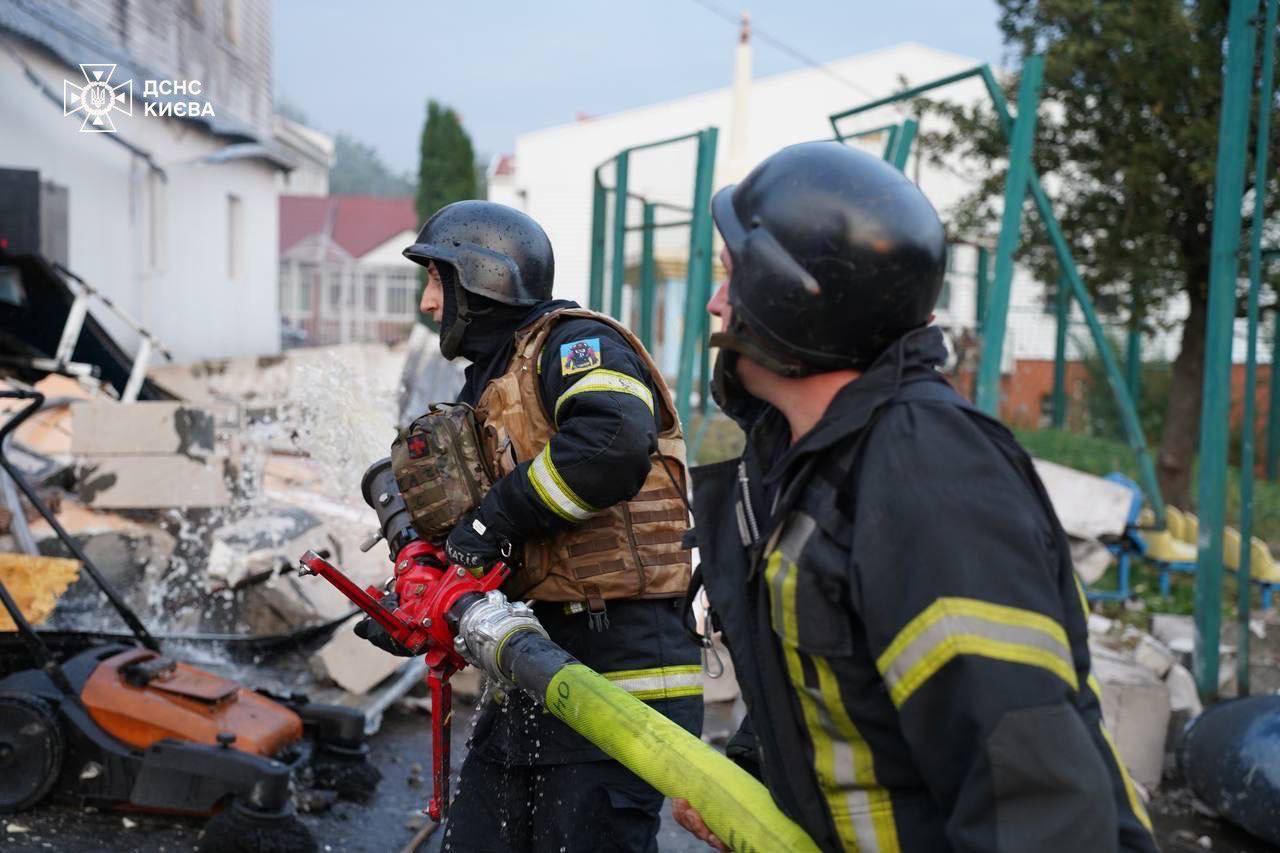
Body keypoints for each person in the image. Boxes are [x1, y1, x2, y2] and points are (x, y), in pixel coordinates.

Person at [672, 142, 1158, 853]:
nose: (717, 302)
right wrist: (756, 773)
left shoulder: (928, 475)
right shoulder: (809, 455)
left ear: (790, 300)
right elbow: (836, 680)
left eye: (731, 276)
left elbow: (1029, 791)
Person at [356, 200, 702, 853]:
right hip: (531, 673)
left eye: (438, 282)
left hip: (618, 671)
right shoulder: (487, 387)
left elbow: (611, 441)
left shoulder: (577, 344)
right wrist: (413, 599)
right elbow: (469, 537)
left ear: (482, 280)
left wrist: (496, 518)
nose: (430, 305)